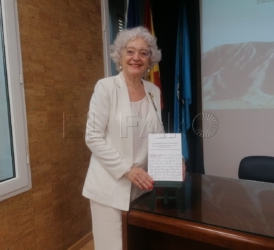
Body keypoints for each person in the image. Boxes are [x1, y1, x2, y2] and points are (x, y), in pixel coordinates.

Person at [83, 26, 184, 250]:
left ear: (150, 60)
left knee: (139, 243)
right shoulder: (106, 87)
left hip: (141, 187)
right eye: (130, 51)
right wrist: (127, 169)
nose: (136, 57)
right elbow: (93, 137)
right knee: (113, 246)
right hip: (110, 187)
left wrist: (176, 159)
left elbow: (157, 133)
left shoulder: (152, 91)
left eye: (143, 53)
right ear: (120, 55)